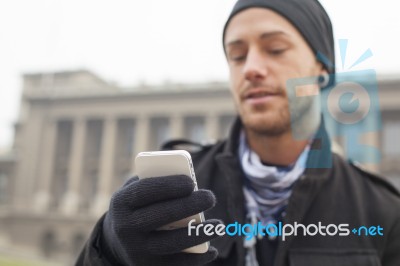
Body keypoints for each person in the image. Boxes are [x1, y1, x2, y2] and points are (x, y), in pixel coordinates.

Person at [76, 0, 400, 265]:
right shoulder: (172, 194)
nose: (251, 68)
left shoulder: (383, 211)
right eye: (237, 55)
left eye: (275, 49)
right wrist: (110, 250)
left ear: (322, 69)